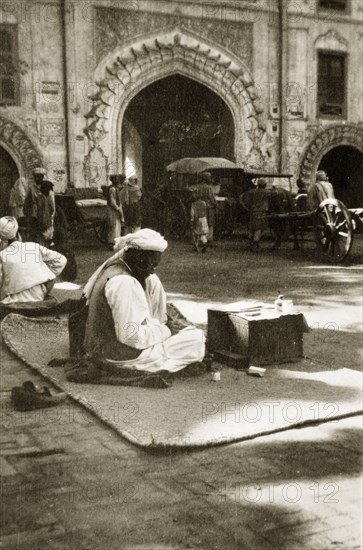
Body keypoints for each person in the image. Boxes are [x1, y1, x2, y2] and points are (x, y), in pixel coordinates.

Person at [82, 228, 205, 377]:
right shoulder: (124, 283)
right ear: (140, 257)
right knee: (196, 339)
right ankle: (156, 364)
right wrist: (167, 330)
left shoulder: (117, 268)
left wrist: (162, 328)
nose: (153, 270)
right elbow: (130, 337)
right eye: (152, 265)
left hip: (107, 347)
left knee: (153, 281)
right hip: (118, 356)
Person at [0, 216, 67, 303]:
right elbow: (61, 260)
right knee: (49, 274)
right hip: (38, 295)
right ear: (17, 234)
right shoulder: (33, 246)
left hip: (12, 300)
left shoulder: (2, 255)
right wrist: (46, 274)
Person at [23, 167, 56, 245]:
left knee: (47, 229)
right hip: (35, 213)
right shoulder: (32, 188)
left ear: (43, 177)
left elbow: (51, 204)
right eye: (35, 176)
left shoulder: (47, 187)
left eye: (39, 176)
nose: (37, 178)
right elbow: (28, 201)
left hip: (46, 212)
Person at [240, 178, 270, 251]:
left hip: (253, 212)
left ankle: (251, 244)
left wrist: (248, 208)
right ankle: (255, 246)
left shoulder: (251, 192)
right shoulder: (266, 192)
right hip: (261, 212)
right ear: (264, 185)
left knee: (252, 228)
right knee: (258, 229)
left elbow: (245, 201)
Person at [197, 172, 217, 245]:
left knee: (202, 223)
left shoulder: (199, 187)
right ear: (207, 178)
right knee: (211, 223)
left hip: (200, 207)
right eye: (210, 178)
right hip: (209, 208)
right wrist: (216, 204)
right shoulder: (208, 187)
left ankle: (201, 239)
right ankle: (209, 239)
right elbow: (212, 198)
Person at [106, 174, 125, 245]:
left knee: (117, 225)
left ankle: (116, 241)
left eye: (117, 179)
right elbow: (112, 201)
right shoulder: (112, 189)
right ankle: (113, 242)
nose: (117, 181)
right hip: (112, 209)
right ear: (113, 181)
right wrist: (117, 208)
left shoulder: (115, 188)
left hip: (115, 209)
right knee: (113, 225)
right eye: (115, 179)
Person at [190, 187, 209, 253]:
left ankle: (197, 246)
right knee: (203, 233)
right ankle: (204, 243)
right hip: (204, 219)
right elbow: (206, 211)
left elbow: (192, 213)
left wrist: (192, 220)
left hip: (198, 220)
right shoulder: (204, 203)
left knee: (196, 233)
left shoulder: (194, 204)